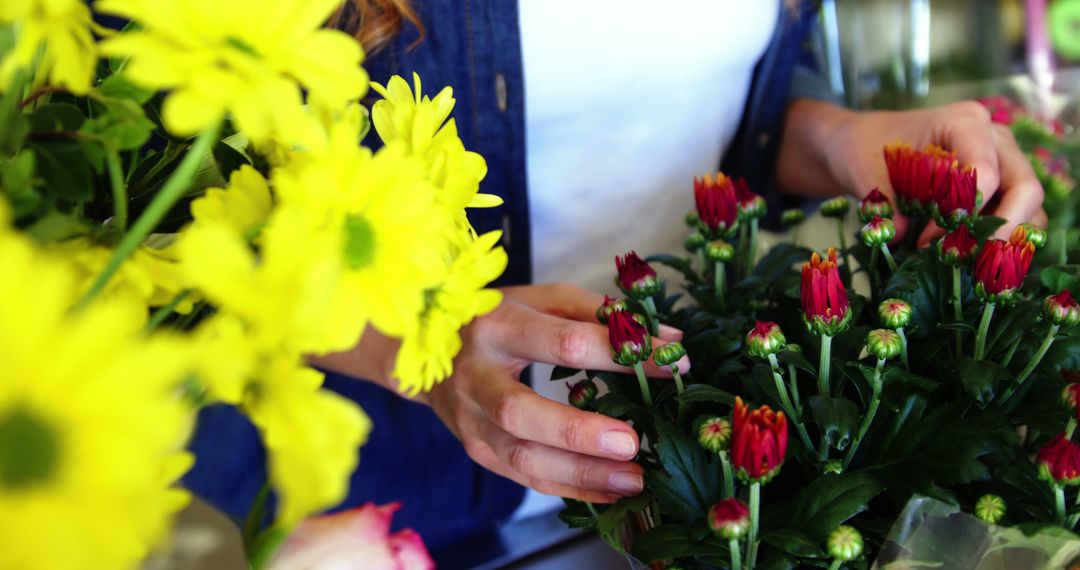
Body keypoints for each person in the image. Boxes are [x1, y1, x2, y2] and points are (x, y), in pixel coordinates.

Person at [184, 0, 1048, 551]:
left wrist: (830, 137)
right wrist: (416, 339)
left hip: (674, 501)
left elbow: (717, 93)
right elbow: (136, 221)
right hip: (366, 517)